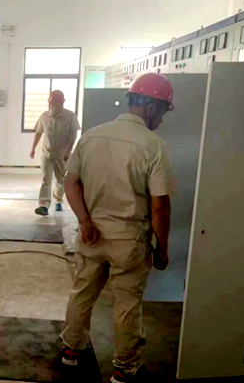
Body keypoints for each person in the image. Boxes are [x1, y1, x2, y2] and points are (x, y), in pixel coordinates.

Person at [59, 73, 175, 383]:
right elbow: (159, 206)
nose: (162, 119)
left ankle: (70, 350)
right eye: (163, 111)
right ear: (150, 107)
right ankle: (124, 369)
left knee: (82, 292)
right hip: (129, 240)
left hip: (91, 234)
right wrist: (162, 248)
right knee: (127, 305)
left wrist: (84, 221)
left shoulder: (92, 136)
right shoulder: (154, 146)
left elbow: (71, 182)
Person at [30, 90, 80, 215]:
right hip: (47, 154)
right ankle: (44, 205)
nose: (52, 105)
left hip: (62, 155)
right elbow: (38, 133)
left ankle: (58, 200)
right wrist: (33, 148)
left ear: (62, 102)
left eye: (55, 102)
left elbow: (73, 135)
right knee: (45, 179)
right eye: (50, 102)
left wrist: (68, 151)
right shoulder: (44, 116)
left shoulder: (70, 117)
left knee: (60, 179)